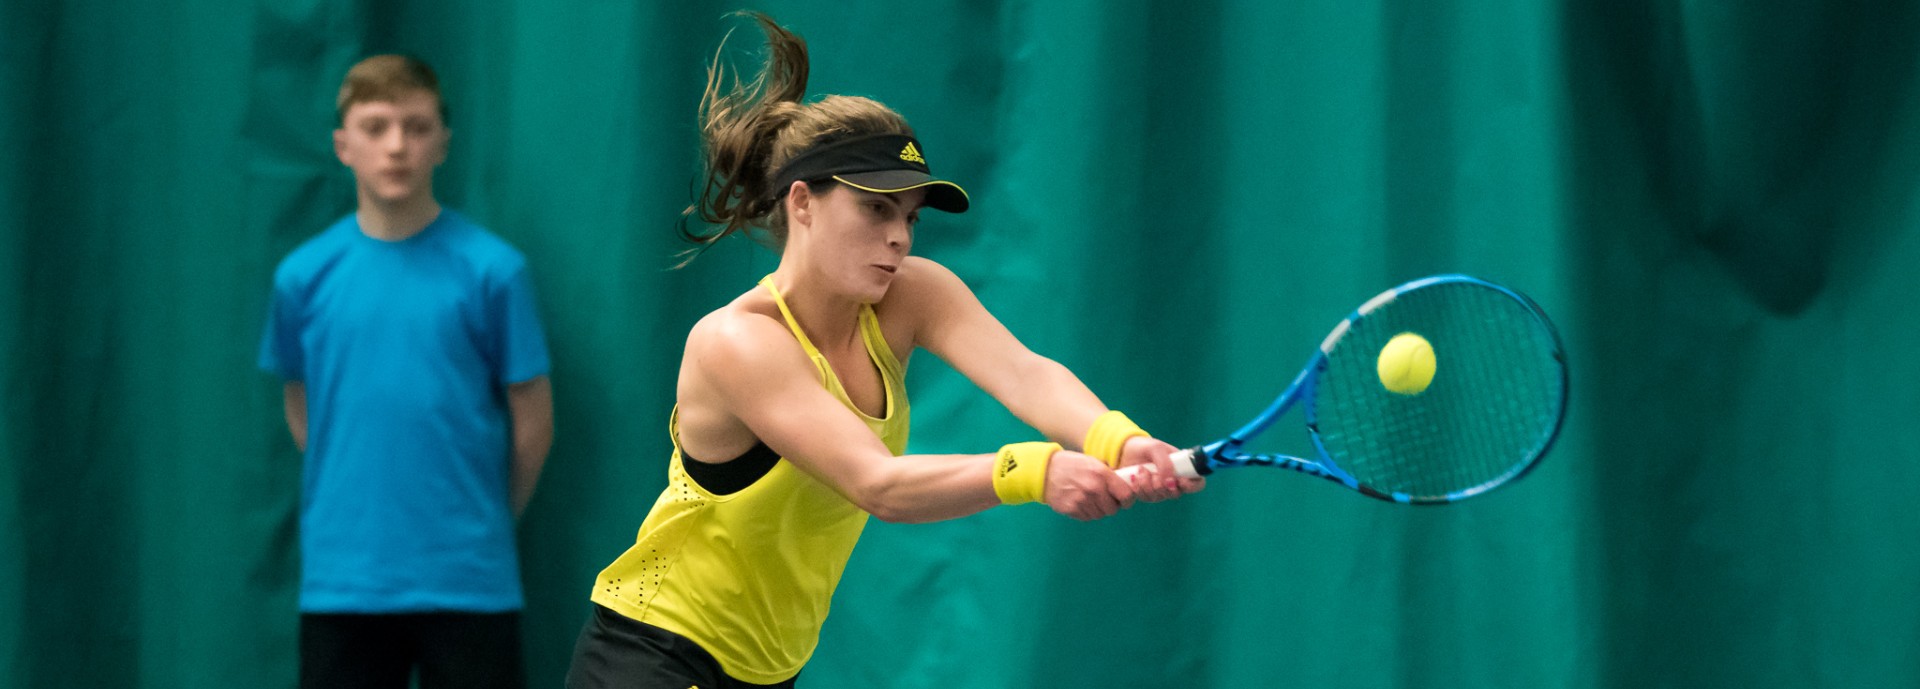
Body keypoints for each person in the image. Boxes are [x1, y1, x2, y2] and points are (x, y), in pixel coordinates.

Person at [564, 13, 1201, 689]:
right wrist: (1036, 471)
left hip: (764, 669)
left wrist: (1116, 440)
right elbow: (878, 484)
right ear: (802, 202)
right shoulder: (735, 342)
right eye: (876, 209)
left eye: (910, 216)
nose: (900, 236)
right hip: (653, 655)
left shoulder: (913, 293)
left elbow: (1025, 373)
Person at [258, 54, 554, 689]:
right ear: (343, 145)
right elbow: (301, 401)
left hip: (471, 582)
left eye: (416, 126)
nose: (397, 146)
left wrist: (485, 521)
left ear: (443, 142)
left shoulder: (494, 272)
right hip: (344, 585)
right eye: (376, 126)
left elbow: (533, 416)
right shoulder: (303, 277)